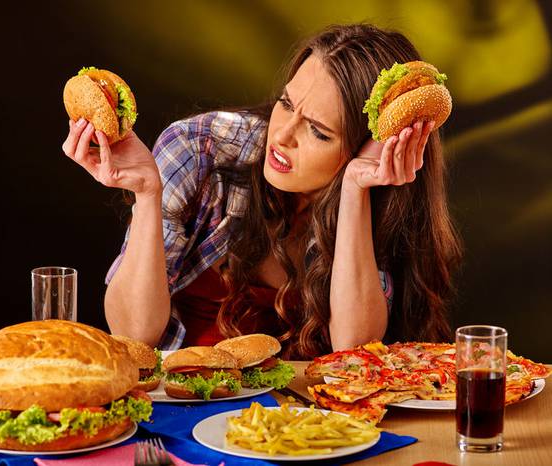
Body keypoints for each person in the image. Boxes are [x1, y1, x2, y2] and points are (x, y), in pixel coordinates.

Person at [62, 24, 462, 359]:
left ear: (365, 144)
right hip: (182, 412)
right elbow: (132, 335)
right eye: (286, 104)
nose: (283, 136)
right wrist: (147, 195)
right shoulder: (198, 149)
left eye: (318, 131)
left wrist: (356, 187)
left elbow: (353, 351)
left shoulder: (383, 189)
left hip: (307, 428)